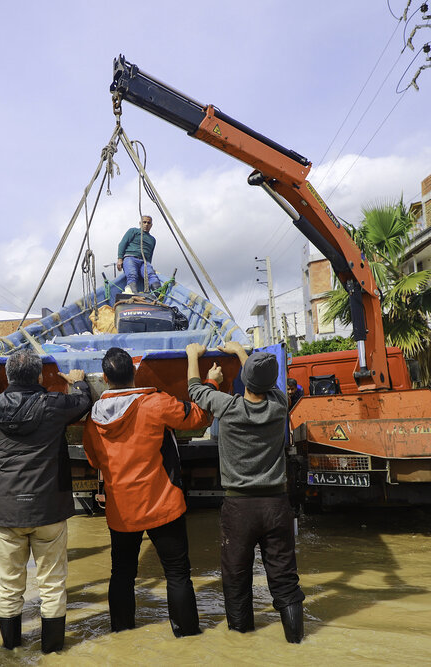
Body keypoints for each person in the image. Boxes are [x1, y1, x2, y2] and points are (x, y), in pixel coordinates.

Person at [82, 347, 209, 637]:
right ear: (135, 373)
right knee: (177, 574)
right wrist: (210, 382)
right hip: (163, 505)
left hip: (121, 511)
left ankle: (122, 635)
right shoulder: (156, 403)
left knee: (122, 575)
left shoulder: (94, 418)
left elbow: (94, 460)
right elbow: (200, 417)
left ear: (104, 378)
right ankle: (187, 637)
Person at [185, 341, 305, 643]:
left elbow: (195, 390)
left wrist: (191, 356)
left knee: (237, 578)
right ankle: (297, 644)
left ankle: (241, 645)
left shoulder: (228, 406)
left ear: (244, 380)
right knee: (285, 579)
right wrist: (242, 352)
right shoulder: (279, 404)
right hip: (277, 505)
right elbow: (269, 382)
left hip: (239, 509)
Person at [0, 349, 91, 654]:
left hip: (6, 511)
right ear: (40, 377)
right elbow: (82, 402)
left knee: (9, 586)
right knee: (52, 585)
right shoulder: (54, 404)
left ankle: (11, 652)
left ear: (9, 377)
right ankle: (52, 653)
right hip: (48, 509)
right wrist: (79, 383)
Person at [117, 215, 161, 293]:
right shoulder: (133, 231)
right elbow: (122, 244)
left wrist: (149, 265)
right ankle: (133, 292)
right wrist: (120, 259)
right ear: (140, 223)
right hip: (130, 258)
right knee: (132, 275)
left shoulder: (152, 240)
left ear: (151, 225)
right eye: (144, 222)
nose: (146, 224)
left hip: (144, 262)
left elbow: (150, 254)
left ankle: (158, 292)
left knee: (151, 275)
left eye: (148, 223)